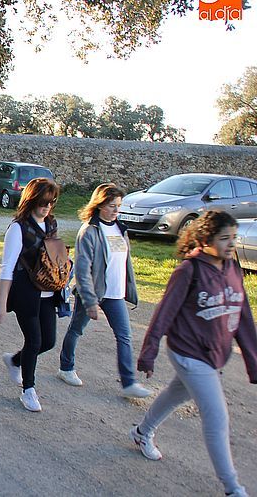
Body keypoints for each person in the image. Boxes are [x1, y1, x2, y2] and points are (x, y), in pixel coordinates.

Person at [131, 211, 257, 496]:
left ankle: (142, 432)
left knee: (178, 393)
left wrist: (254, 361)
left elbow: (244, 317)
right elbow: (163, 313)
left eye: (234, 238)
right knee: (217, 416)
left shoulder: (232, 268)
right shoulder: (189, 270)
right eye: (224, 238)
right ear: (206, 238)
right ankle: (232, 487)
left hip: (215, 355)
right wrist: (148, 352)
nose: (231, 244)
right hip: (188, 352)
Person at [57, 183, 152, 398]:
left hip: (115, 294)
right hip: (93, 292)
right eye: (111, 206)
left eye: (119, 206)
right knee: (77, 329)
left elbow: (124, 263)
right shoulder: (89, 231)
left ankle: (128, 382)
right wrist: (90, 302)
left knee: (124, 336)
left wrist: (130, 289)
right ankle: (66, 367)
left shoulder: (121, 229)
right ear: (99, 205)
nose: (116, 210)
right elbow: (82, 270)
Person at [0, 177, 62, 412]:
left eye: (51, 202)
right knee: (34, 340)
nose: (46, 207)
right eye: (43, 202)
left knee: (49, 341)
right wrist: (1, 302)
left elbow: (56, 257)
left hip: (48, 291)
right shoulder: (18, 228)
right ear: (31, 200)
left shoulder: (51, 224)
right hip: (25, 291)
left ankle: (14, 360)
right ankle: (28, 390)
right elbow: (7, 266)